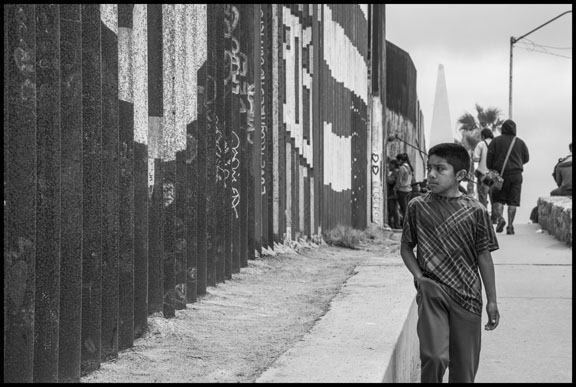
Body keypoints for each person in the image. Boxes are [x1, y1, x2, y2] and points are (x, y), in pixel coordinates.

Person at [400, 142, 500, 383]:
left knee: (464, 370)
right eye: (429, 168)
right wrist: (419, 277)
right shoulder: (417, 207)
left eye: (440, 169)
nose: (431, 174)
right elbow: (406, 247)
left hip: (468, 297)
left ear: (460, 175)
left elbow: (484, 257)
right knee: (434, 358)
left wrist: (492, 300)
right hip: (432, 291)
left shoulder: (476, 211)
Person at [486, 119, 529, 235]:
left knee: (497, 199)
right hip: (516, 175)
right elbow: (526, 158)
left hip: (500, 175)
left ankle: (500, 219)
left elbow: (489, 161)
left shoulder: (495, 141)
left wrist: (492, 168)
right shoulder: (520, 142)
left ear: (502, 129)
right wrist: (517, 163)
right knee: (513, 201)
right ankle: (510, 226)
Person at [473, 128, 495, 209]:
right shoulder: (496, 143)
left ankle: (485, 216)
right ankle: (495, 218)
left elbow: (475, 158)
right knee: (494, 198)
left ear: (483, 136)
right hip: (494, 175)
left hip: (483, 174)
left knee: (483, 197)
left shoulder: (481, 144)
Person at [395, 153, 414, 218]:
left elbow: (399, 181)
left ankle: (407, 225)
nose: (397, 163)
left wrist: (395, 189)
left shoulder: (402, 168)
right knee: (406, 210)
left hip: (402, 191)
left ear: (400, 160)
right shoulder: (409, 168)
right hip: (409, 190)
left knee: (404, 210)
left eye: (397, 161)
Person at [386, 159, 402, 229]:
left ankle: (396, 225)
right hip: (392, 194)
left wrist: (385, 175)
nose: (389, 166)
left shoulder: (396, 172)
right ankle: (394, 224)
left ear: (393, 165)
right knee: (393, 210)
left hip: (393, 194)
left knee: (394, 210)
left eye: (390, 165)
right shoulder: (395, 172)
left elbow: (391, 181)